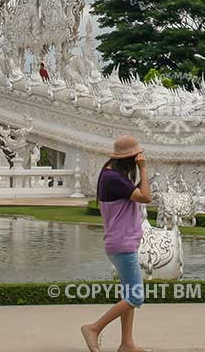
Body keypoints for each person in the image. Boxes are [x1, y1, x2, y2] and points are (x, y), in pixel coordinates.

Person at [82, 135, 152, 352]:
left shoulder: (111, 176)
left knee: (128, 295)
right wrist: (143, 168)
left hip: (120, 242)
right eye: (136, 158)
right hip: (122, 244)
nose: (138, 160)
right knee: (136, 296)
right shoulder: (113, 178)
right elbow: (146, 197)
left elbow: (137, 194)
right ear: (130, 158)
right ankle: (93, 328)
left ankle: (127, 343)